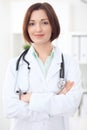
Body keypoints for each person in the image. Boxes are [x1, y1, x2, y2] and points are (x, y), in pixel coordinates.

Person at [3, 2, 82, 130]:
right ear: (26, 28)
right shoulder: (14, 65)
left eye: (45, 22)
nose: (38, 29)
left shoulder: (69, 63)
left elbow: (71, 107)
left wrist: (30, 98)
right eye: (32, 23)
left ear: (53, 25)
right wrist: (55, 101)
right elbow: (10, 108)